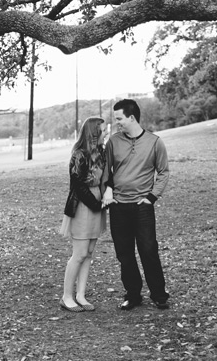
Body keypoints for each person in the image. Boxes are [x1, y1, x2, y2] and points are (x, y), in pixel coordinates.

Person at [103, 99, 170, 310]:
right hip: (118, 206)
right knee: (124, 254)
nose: (117, 123)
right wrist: (108, 189)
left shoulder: (154, 142)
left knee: (148, 249)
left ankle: (159, 294)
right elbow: (106, 171)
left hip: (142, 206)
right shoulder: (113, 142)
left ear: (132, 118)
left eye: (119, 119)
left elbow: (163, 172)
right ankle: (133, 295)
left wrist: (151, 197)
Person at [58, 117, 108, 312]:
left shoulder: (101, 153)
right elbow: (78, 186)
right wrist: (96, 204)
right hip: (83, 205)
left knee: (88, 253)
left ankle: (81, 295)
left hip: (98, 203)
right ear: (94, 134)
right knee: (79, 254)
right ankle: (67, 296)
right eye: (102, 131)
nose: (105, 134)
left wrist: (104, 199)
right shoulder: (79, 155)